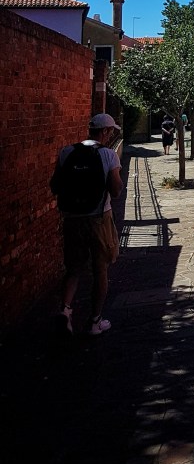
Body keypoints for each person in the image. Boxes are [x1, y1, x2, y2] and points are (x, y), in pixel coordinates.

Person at [49, 113, 123, 336]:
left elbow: (55, 185)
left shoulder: (67, 152)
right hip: (99, 218)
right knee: (100, 269)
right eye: (111, 131)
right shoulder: (109, 155)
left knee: (73, 269)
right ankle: (95, 321)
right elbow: (117, 190)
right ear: (106, 132)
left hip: (72, 219)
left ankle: (65, 310)